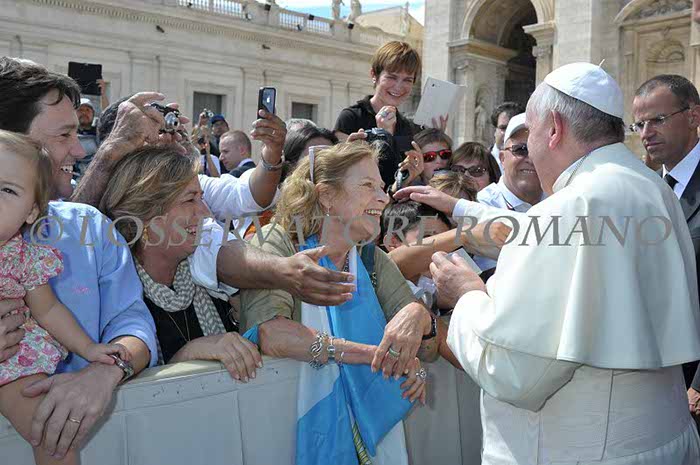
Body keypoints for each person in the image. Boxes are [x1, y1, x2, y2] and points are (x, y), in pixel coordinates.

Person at [431, 62, 700, 464]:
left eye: (530, 136)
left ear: (554, 129)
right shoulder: (652, 187)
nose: (531, 152)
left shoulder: (570, 205)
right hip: (663, 437)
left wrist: (467, 293)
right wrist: (461, 208)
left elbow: (515, 374)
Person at [0, 57, 159, 460]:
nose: (77, 148)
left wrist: (106, 370)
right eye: (63, 135)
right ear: (11, 141)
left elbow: (133, 324)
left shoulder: (90, 227)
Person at [240, 142, 438, 464]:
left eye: (382, 187)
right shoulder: (278, 243)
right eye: (368, 186)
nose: (384, 198)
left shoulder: (370, 258)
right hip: (282, 436)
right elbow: (272, 334)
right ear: (327, 195)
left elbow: (428, 349)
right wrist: (375, 356)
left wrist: (418, 318)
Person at [0, 131, 130, 465]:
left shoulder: (23, 258)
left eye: (7, 190)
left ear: (31, 211)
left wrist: (88, 348)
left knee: (53, 436)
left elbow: (49, 310)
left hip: (10, 365)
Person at [100, 146, 262, 380]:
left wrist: (241, 307)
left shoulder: (208, 279)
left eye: (201, 198)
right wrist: (189, 354)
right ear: (147, 215)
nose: (205, 213)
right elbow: (122, 386)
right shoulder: (117, 299)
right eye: (189, 200)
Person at [632, 74, 700, 412]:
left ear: (693, 116)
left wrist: (699, 386)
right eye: (639, 124)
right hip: (651, 382)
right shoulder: (643, 189)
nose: (646, 133)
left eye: (657, 120)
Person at [334, 41, 424, 187]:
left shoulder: (408, 127)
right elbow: (338, 173)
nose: (399, 86)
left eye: (407, 80)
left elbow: (398, 181)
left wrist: (415, 173)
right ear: (374, 75)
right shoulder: (350, 118)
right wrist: (383, 136)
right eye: (392, 77)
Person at [471, 113, 545, 271]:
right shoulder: (480, 204)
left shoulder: (560, 199)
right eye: (521, 150)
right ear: (502, 158)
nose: (530, 158)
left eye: (538, 150)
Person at [490, 101, 525, 173]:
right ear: (494, 131)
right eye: (503, 128)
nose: (507, 133)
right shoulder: (483, 162)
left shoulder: (530, 162)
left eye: (513, 128)